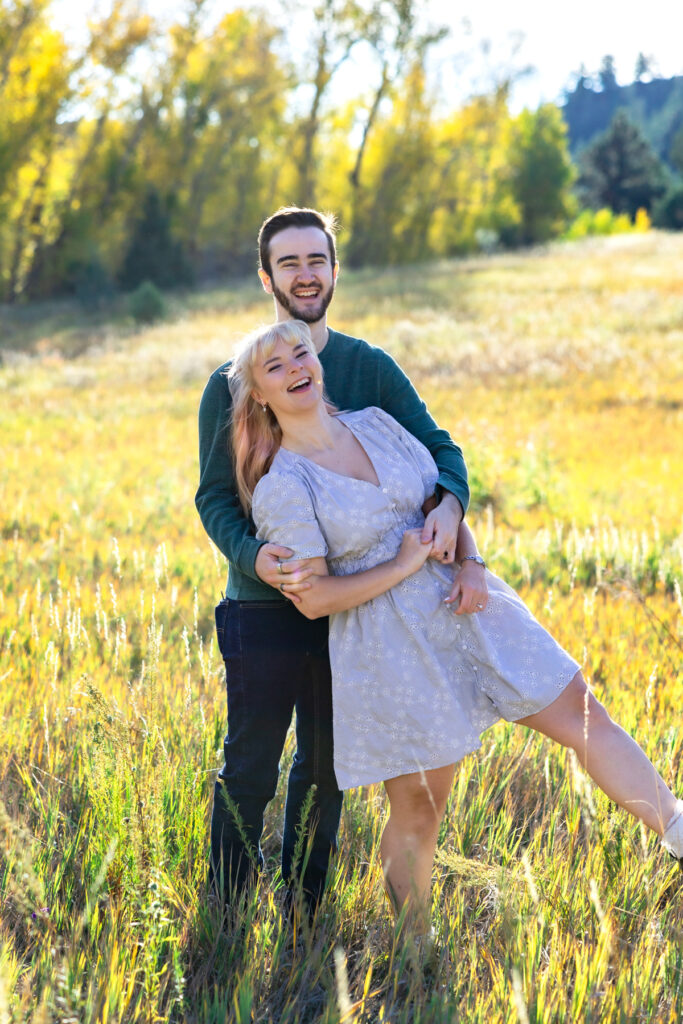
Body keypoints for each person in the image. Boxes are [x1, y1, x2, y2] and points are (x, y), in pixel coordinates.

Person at [228, 316, 683, 931]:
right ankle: (415, 952)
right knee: (421, 810)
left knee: (582, 711)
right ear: (259, 393)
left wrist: (470, 560)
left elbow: (438, 502)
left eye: (300, 354)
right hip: (390, 645)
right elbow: (313, 600)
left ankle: (677, 831)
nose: (295, 370)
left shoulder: (377, 423)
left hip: (466, 603)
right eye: (275, 367)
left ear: (318, 360)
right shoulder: (283, 485)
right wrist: (401, 565)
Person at [195, 207, 478, 913]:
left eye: (315, 260)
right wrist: (255, 559)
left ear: (333, 270)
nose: (304, 274)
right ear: (266, 278)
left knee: (325, 767)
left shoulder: (367, 367)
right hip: (263, 606)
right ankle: (227, 909)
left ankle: (302, 908)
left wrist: (451, 507)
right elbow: (214, 497)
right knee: (250, 765)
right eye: (288, 263)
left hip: (354, 606)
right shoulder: (231, 380)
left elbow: (441, 452)